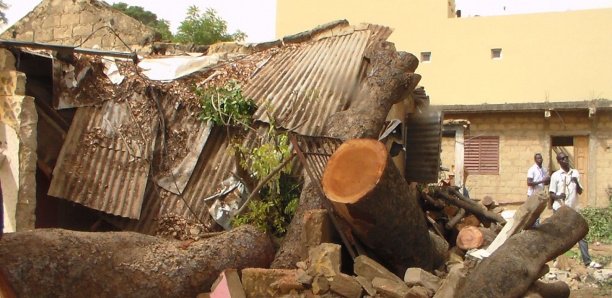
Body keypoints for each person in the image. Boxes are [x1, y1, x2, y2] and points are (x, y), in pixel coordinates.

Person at [549, 152, 603, 269]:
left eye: (566, 158)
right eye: (562, 159)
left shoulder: (575, 173)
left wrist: (576, 182)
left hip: (572, 210)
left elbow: (580, 191)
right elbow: (551, 194)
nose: (566, 160)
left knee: (581, 235)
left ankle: (587, 261)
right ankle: (555, 260)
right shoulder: (556, 176)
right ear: (558, 161)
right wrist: (559, 196)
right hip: (559, 209)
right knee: (557, 235)